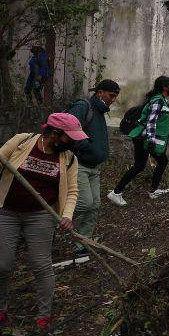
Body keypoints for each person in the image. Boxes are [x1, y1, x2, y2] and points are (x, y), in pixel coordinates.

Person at [0, 113, 86, 331]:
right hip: (5, 213)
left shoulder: (69, 158)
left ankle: (44, 315)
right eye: (70, 138)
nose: (73, 142)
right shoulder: (22, 141)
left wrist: (66, 215)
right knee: (3, 265)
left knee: (41, 264)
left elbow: (73, 191)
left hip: (40, 215)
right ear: (55, 134)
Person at [66, 79, 120, 255]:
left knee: (95, 205)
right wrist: (86, 147)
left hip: (93, 167)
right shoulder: (84, 107)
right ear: (99, 93)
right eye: (111, 95)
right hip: (78, 164)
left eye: (115, 96)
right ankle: (49, 221)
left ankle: (83, 245)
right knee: (85, 203)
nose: (113, 99)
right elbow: (68, 127)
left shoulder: (99, 111)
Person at [108, 75, 169, 205]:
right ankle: (116, 192)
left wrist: (168, 123)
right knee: (147, 164)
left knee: (146, 164)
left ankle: (151, 190)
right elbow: (151, 121)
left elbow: (158, 119)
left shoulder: (161, 100)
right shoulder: (158, 101)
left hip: (144, 138)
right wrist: (150, 140)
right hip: (145, 138)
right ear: (165, 87)